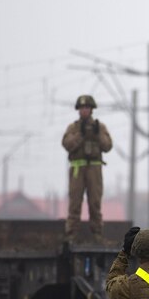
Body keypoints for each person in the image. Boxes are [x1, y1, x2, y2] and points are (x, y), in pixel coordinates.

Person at [61, 94, 113, 241]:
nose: (84, 111)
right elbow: (66, 144)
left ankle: (97, 232)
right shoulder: (73, 128)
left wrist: (97, 135)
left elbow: (107, 146)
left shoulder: (99, 127)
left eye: (87, 108)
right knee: (75, 202)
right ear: (78, 110)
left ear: (91, 110)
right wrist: (80, 135)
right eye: (82, 108)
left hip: (94, 170)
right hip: (78, 170)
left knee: (95, 202)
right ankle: (71, 233)